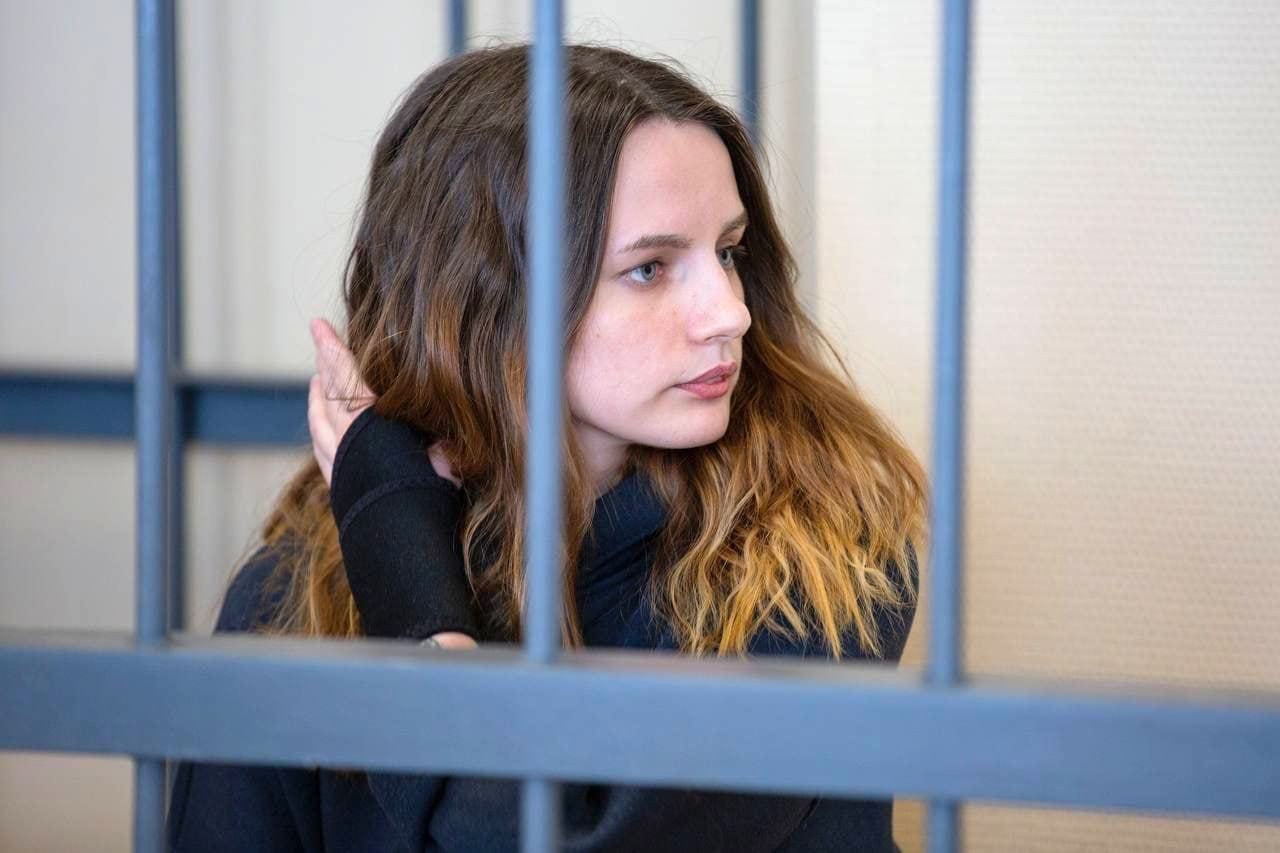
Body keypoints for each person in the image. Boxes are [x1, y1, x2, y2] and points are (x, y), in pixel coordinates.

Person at [166, 42, 928, 852]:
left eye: (728, 252)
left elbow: (552, 837)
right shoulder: (299, 589)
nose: (729, 312)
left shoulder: (820, 559)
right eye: (650, 268)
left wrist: (408, 587)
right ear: (488, 302)